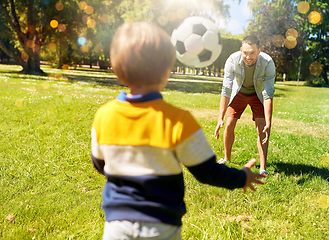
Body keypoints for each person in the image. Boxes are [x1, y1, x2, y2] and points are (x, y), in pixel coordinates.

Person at [91, 22, 265, 240]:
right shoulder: (179, 121)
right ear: (166, 71)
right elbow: (207, 172)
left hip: (116, 226)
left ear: (116, 69)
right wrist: (241, 177)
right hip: (162, 226)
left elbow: (100, 163)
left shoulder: (104, 116)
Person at [214, 36, 276, 175]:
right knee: (229, 124)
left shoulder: (268, 62)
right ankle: (226, 158)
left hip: (257, 94)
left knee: (262, 128)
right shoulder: (232, 60)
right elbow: (226, 89)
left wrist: (268, 122)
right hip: (239, 92)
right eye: (245, 52)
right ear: (241, 50)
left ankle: (262, 167)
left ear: (259, 51)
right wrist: (220, 118)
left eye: (252, 52)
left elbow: (268, 94)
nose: (248, 57)